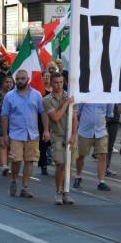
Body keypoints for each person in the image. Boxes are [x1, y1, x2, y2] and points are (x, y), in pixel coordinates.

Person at [1, 69, 50, 198]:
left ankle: (25, 187)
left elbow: (43, 113)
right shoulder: (9, 96)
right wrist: (5, 135)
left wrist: (46, 130)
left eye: (22, 78)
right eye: (17, 79)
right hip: (16, 134)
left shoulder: (37, 95)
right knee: (16, 160)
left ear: (28, 79)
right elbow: (4, 115)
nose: (19, 81)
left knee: (29, 160)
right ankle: (14, 180)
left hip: (32, 134)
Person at [44, 72, 77, 204]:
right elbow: (56, 117)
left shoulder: (70, 96)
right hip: (57, 135)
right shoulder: (47, 100)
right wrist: (67, 103)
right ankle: (58, 191)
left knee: (68, 165)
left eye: (61, 82)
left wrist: (74, 135)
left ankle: (67, 191)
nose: (59, 85)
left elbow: (75, 118)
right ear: (51, 83)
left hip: (70, 135)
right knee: (60, 164)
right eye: (56, 82)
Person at [74, 103, 113, 192]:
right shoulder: (87, 93)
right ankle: (78, 176)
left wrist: (99, 122)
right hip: (85, 131)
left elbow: (109, 114)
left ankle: (101, 182)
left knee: (102, 156)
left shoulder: (107, 95)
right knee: (80, 155)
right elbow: (79, 112)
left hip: (101, 131)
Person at [0, 76, 15, 176]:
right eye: (7, 82)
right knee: (2, 144)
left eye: (11, 82)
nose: (9, 84)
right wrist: (1, 106)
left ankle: (7, 165)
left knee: (9, 146)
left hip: (12, 124)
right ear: (2, 83)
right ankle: (4, 166)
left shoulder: (15, 95)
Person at [38, 72, 52, 175]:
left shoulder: (55, 91)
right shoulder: (39, 91)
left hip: (54, 119)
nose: (46, 79)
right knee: (43, 143)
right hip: (41, 119)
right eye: (44, 77)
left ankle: (52, 158)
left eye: (48, 77)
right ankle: (43, 164)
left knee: (51, 142)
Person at [105, 104, 121, 176]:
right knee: (102, 144)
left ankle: (106, 167)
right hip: (103, 115)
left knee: (110, 145)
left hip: (114, 118)